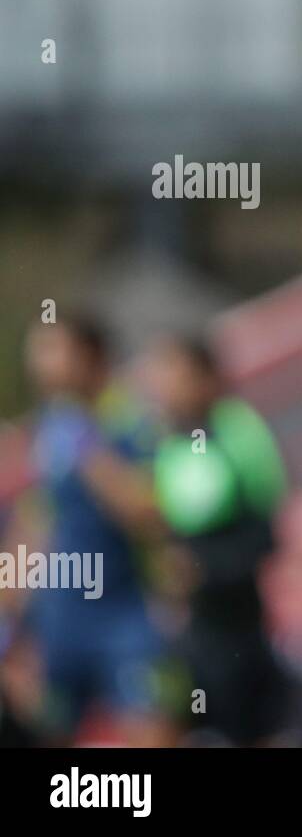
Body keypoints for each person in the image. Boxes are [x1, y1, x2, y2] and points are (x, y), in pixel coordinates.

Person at [22, 312, 172, 745]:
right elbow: (43, 513)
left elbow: (149, 510)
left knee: (151, 728)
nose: (37, 363)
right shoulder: (52, 423)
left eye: (50, 349)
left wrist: (90, 451)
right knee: (50, 731)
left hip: (126, 611)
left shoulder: (133, 417)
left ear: (89, 356)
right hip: (62, 613)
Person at [143, 333, 288, 745]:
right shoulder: (168, 438)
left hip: (237, 629)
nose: (167, 386)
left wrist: (204, 570)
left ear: (208, 378)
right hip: (188, 630)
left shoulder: (240, 434)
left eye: (178, 374)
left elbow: (266, 536)